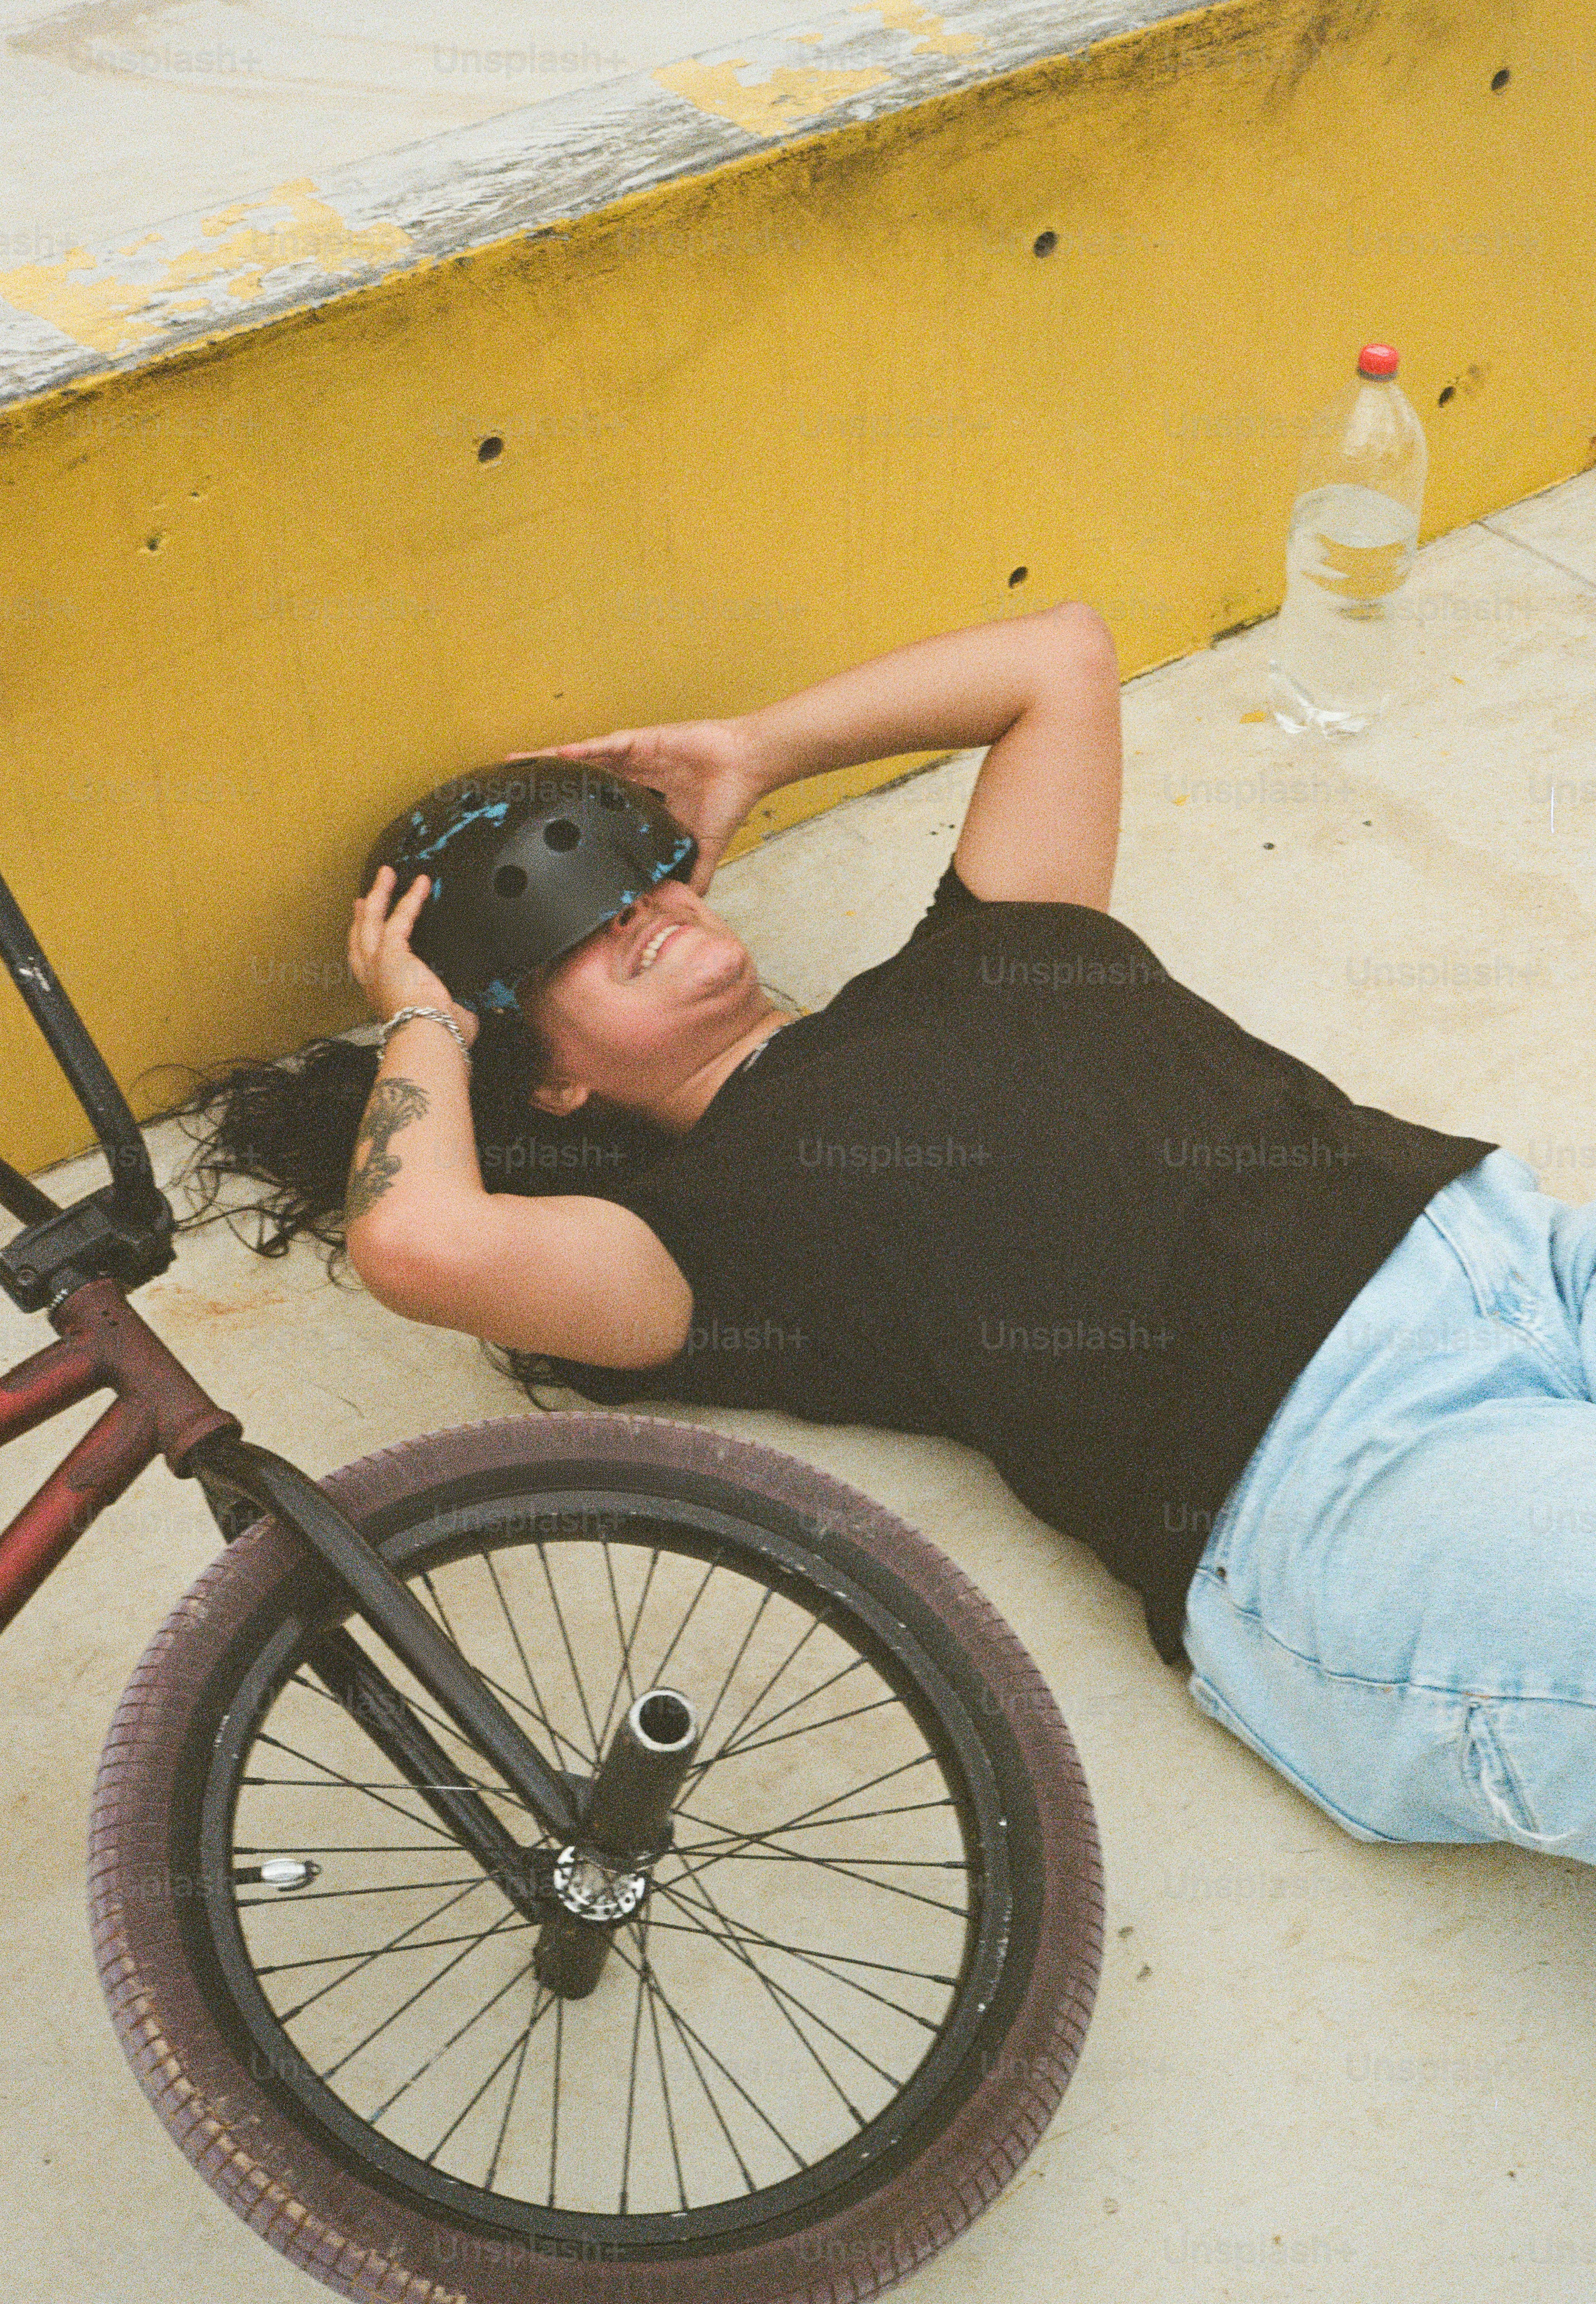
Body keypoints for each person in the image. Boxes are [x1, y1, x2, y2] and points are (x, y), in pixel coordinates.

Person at [180, 602, 1596, 1867]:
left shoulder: (993, 938)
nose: (640, 918)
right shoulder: (686, 1245)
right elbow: (421, 1243)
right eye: (568, 945)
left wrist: (754, 747)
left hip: (1523, 1257)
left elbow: (1058, 660)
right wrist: (424, 1013)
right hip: (1344, 1483)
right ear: (543, 1074)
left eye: (641, 877)